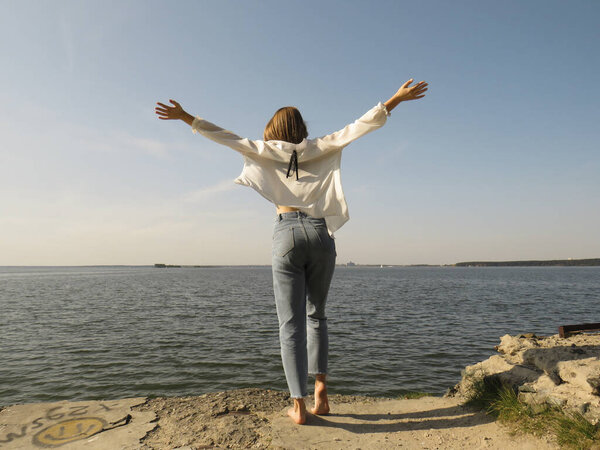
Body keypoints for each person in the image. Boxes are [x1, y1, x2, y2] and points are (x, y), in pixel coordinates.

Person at [155, 78, 428, 424]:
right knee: (317, 315)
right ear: (301, 128)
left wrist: (185, 117)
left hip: (286, 234)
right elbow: (361, 125)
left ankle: (298, 406)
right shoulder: (322, 146)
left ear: (273, 130)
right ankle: (321, 392)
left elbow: (223, 135)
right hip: (320, 234)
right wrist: (396, 99)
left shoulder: (265, 150)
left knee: (290, 325)